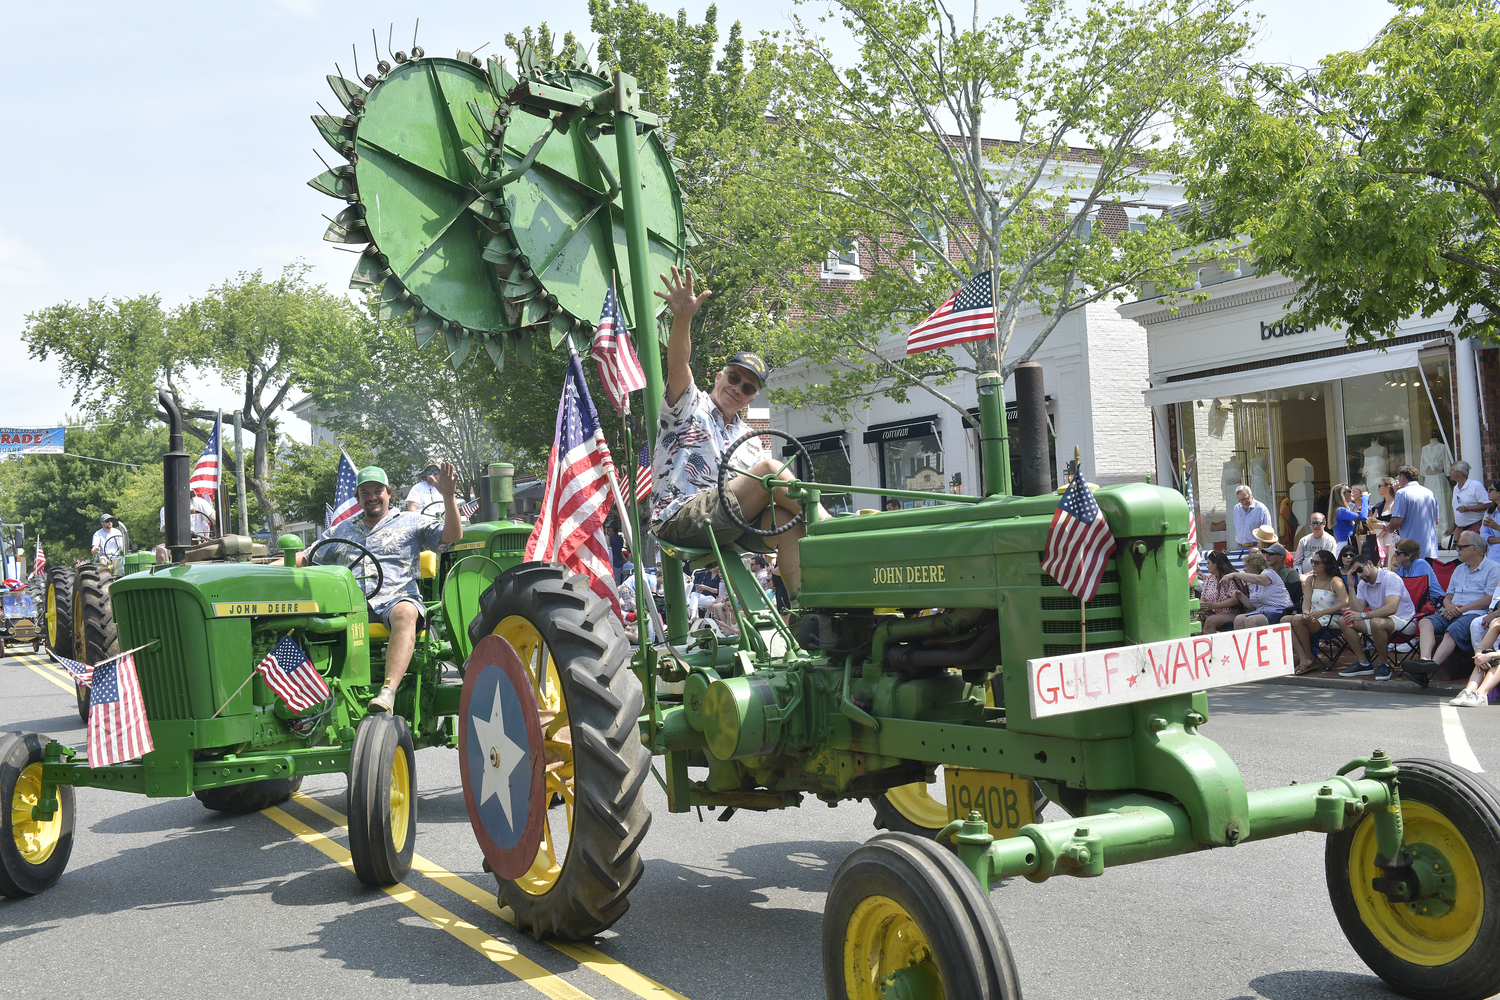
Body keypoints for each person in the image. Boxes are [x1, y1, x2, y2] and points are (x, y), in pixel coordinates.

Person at [650, 266, 825, 596]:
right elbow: (678, 363)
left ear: (751, 398)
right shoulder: (689, 405)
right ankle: (837, 533)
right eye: (734, 378)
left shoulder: (750, 440)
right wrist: (683, 318)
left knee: (790, 524)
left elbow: (764, 496)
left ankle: (810, 612)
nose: (738, 389)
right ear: (719, 376)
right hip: (681, 516)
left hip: (732, 522)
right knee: (771, 470)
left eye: (747, 388)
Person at [302, 463, 462, 712]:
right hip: (349, 606)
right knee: (299, 615)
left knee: (406, 612)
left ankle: (388, 691)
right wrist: (261, 568)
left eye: (378, 490)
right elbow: (306, 556)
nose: (372, 497)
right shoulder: (342, 529)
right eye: (365, 492)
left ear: (389, 493)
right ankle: (310, 694)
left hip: (394, 601)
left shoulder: (411, 522)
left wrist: (448, 496)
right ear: (358, 497)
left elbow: (452, 535)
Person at [1404, 530, 1500, 686]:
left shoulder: (1494, 568)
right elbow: (1448, 596)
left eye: (1461, 547)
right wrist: (1449, 607)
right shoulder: (1459, 568)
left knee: (1452, 631)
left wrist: (1459, 610)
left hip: (1474, 614)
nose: (1457, 550)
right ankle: (1425, 661)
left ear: (1474, 549)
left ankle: (1427, 673)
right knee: (1425, 622)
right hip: (1452, 611)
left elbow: (1489, 599)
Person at [1336, 554, 1416, 680]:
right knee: (1344, 620)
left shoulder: (1390, 578)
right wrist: (1351, 586)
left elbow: (1391, 608)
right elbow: (1357, 610)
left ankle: (1384, 664)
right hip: (1379, 621)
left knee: (1376, 622)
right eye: (1355, 573)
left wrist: (1363, 615)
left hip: (1405, 621)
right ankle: (1363, 663)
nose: (1359, 575)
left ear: (1370, 563)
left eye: (1360, 570)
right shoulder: (1362, 584)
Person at [1286, 549, 1349, 674]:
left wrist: (1322, 612)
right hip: (1313, 617)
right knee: (1284, 621)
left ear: (1327, 564)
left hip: (1330, 618)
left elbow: (1346, 603)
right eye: (1312, 561)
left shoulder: (1335, 581)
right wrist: (1305, 611)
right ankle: (1304, 657)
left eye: (1317, 562)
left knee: (1297, 619)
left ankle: (1309, 657)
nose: (1313, 565)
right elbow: (1307, 600)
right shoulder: (1311, 580)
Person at [1223, 551, 1292, 629]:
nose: (1244, 569)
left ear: (1255, 566)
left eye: (1246, 566)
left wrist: (1235, 574)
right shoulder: (1253, 584)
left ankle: (1255, 641)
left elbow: (1259, 579)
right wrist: (1240, 595)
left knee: (1251, 620)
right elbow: (1253, 607)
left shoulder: (1269, 573)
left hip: (1279, 611)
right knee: (1239, 619)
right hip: (1261, 611)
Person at [1387, 464, 1440, 560]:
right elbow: (1436, 521)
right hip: (1431, 551)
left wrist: (1388, 529)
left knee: (1413, 575)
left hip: (1411, 552)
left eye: (1398, 478)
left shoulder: (1402, 493)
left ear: (1402, 477)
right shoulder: (1430, 493)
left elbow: (1396, 521)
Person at [1198, 550, 1247, 633]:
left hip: (1232, 612)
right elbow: (1203, 598)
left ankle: (1212, 645)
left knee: (1210, 621)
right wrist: (1200, 605)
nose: (1206, 566)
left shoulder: (1230, 578)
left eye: (1209, 563)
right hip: (1213, 611)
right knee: (1196, 620)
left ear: (1216, 564)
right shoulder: (1210, 579)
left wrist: (1214, 606)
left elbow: (1235, 600)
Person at [1391, 537, 1443, 607]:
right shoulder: (1402, 568)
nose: (1395, 555)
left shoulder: (1421, 564)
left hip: (1435, 602)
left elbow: (1416, 591)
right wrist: (1395, 572)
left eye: (1398, 553)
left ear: (1408, 556)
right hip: (1416, 603)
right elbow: (1395, 589)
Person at [1451, 461, 1488, 537]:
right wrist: (1452, 528)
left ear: (1460, 472)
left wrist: (1469, 508)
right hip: (1460, 530)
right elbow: (1457, 511)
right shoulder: (1455, 488)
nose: (1450, 472)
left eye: (1452, 470)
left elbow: (1488, 504)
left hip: (1474, 528)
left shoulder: (1476, 485)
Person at [1231, 485, 1272, 551]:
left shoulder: (1261, 509)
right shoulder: (1236, 509)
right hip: (1241, 547)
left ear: (1251, 495)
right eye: (1241, 500)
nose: (1244, 502)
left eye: (1246, 499)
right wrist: (1238, 546)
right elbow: (1237, 529)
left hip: (1257, 547)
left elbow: (1267, 532)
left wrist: (1259, 547)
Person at [1366, 476, 1396, 564]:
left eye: (1380, 485)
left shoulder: (1395, 504)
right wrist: (1384, 525)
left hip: (1391, 537)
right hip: (1379, 538)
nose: (1377, 488)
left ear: (1388, 487)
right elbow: (1371, 522)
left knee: (1391, 560)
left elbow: (1393, 523)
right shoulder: (1379, 505)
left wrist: (1379, 523)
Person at [1481, 480, 1500, 565]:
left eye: (1491, 489)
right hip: (1493, 557)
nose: (1488, 492)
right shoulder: (1490, 512)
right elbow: (1483, 535)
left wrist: (1497, 527)